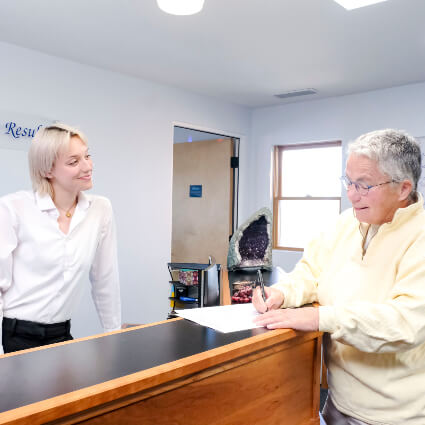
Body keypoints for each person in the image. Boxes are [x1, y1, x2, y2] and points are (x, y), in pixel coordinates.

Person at [253, 129, 425, 425]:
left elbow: (405, 323)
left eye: (364, 185)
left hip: (396, 417)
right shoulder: (347, 222)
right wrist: (283, 292)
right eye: (348, 182)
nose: (351, 195)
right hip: (337, 403)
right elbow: (311, 272)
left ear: (403, 189)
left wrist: (320, 319)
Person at [0, 123, 121, 354]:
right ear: (47, 170)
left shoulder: (100, 209)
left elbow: (105, 278)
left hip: (61, 334)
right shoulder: (12, 208)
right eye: (73, 162)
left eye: (87, 156)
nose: (87, 166)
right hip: (17, 336)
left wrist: (113, 335)